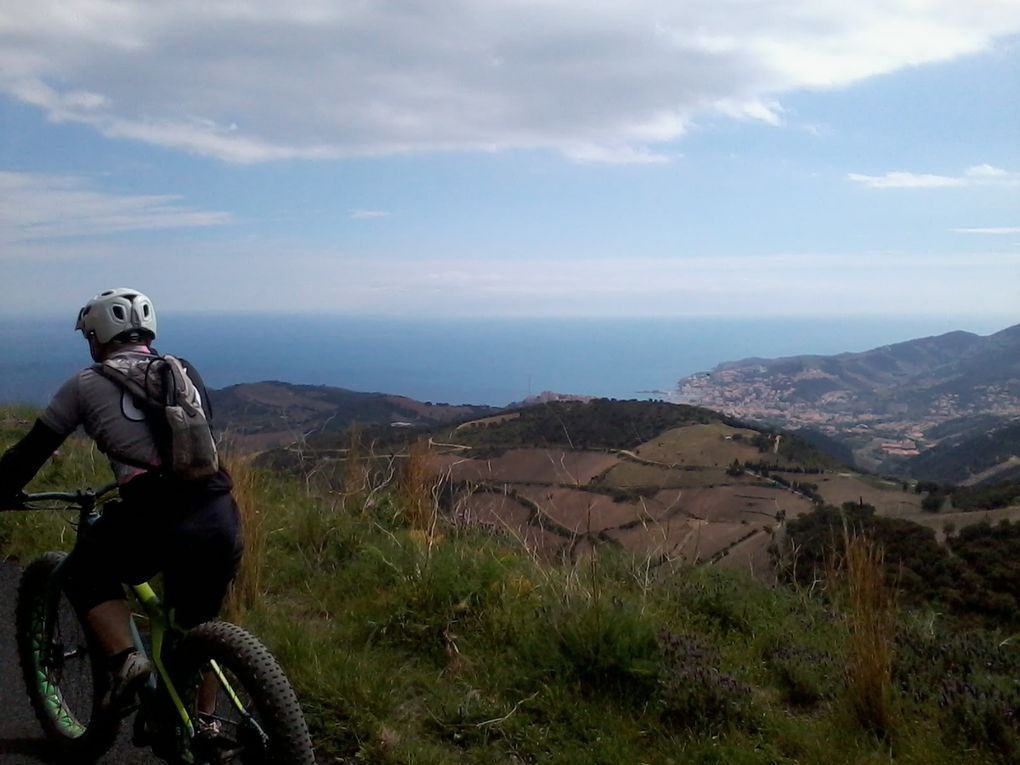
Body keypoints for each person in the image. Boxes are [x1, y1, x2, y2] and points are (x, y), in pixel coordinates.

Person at [0, 288, 242, 710]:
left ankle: (128, 661)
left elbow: (31, 452)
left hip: (154, 515)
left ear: (99, 336)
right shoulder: (183, 371)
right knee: (197, 630)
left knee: (82, 571)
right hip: (218, 511)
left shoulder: (85, 384)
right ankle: (208, 731)